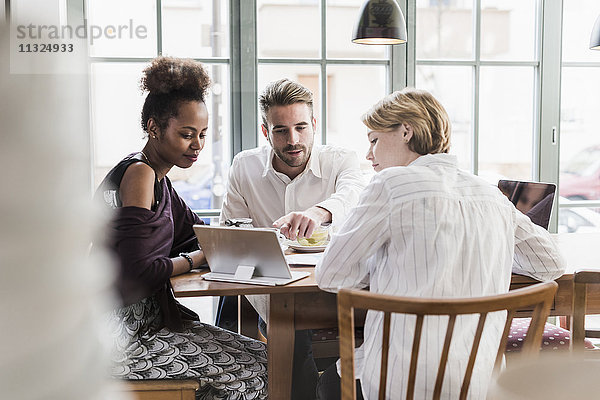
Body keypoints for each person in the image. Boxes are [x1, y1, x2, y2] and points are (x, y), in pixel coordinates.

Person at [314, 88, 566, 400]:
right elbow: (551, 264)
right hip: (479, 384)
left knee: (328, 382)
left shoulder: (390, 185)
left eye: (374, 140)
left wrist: (382, 261)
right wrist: (487, 251)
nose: (369, 155)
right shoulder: (490, 196)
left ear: (406, 131)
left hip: (400, 384)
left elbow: (331, 276)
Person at [95, 56, 268, 400]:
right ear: (154, 127)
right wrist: (196, 259)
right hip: (120, 336)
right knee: (258, 370)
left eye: (203, 135)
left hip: (147, 323)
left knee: (264, 359)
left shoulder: (162, 183)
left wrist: (262, 239)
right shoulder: (140, 174)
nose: (198, 145)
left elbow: (203, 235)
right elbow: (138, 271)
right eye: (186, 134)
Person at [219, 78, 367, 400]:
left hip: (333, 288)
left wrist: (318, 212)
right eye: (281, 130)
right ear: (265, 131)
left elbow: (355, 196)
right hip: (272, 291)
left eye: (301, 127)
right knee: (285, 319)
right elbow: (231, 233)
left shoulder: (341, 160)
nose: (293, 140)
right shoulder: (245, 167)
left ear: (314, 124)